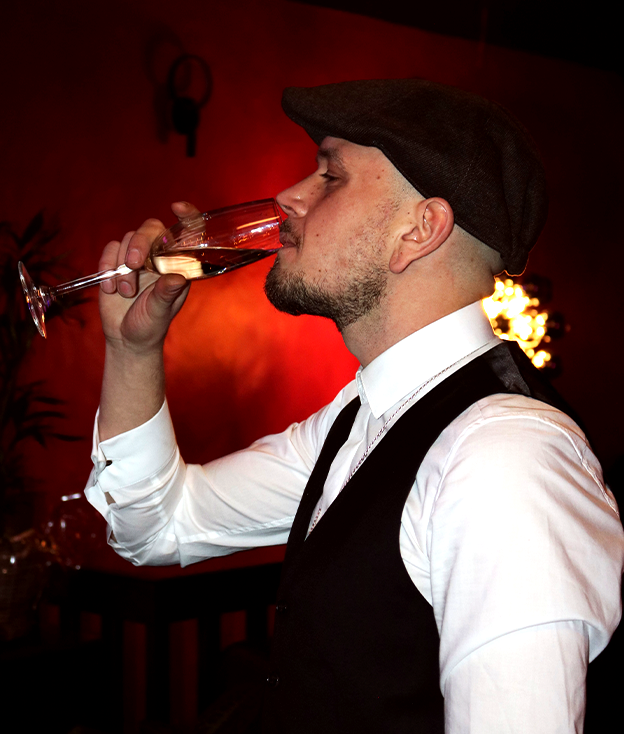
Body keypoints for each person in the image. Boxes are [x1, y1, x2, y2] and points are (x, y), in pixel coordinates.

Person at [85, 79, 624, 733]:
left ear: (419, 230)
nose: (289, 197)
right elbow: (157, 527)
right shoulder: (365, 417)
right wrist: (132, 350)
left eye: (330, 175)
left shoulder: (504, 458)